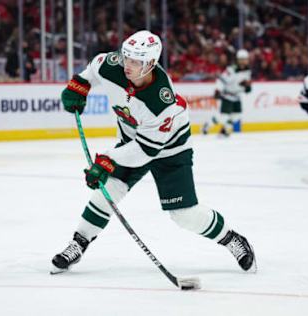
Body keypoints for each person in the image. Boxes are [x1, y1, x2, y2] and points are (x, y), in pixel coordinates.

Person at [51, 30, 256, 274]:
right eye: (127, 57)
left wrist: (106, 160)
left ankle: (232, 239)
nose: (128, 65)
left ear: (150, 64)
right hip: (132, 142)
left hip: (171, 150)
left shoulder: (162, 103)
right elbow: (93, 69)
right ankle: (79, 242)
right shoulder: (112, 65)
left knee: (184, 215)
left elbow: (144, 151)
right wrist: (79, 86)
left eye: (136, 61)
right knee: (108, 190)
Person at [202, 49, 252, 137]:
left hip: (237, 96)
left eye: (245, 59)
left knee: (237, 115)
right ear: (238, 60)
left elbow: (245, 83)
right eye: (242, 59)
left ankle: (224, 130)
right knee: (223, 117)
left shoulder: (248, 70)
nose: (244, 61)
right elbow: (221, 80)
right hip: (228, 95)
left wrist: (247, 87)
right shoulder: (231, 70)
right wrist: (217, 90)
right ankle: (208, 124)